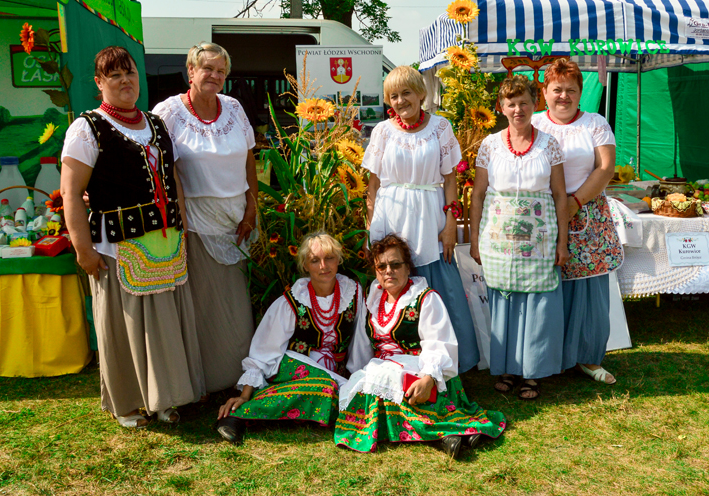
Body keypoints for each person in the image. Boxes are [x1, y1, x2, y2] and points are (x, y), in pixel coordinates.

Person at [60, 46, 204, 428]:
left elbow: (172, 179)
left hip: (166, 241)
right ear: (99, 83)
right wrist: (83, 250)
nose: (126, 81)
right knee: (123, 327)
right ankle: (125, 403)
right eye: (115, 76)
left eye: (130, 74)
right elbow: (72, 193)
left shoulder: (156, 123)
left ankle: (164, 397)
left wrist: (182, 226)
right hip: (116, 246)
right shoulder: (86, 128)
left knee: (165, 325)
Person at [335, 234, 506, 457]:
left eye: (395, 265)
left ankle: (444, 435)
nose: (388, 271)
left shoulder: (425, 298)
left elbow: (439, 344)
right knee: (368, 393)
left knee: (390, 398)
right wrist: (358, 376)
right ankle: (448, 435)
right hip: (384, 370)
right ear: (375, 271)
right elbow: (361, 345)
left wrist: (428, 378)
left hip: (423, 371)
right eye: (382, 266)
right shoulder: (372, 300)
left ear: (408, 268)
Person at [152, 42, 258, 395]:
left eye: (221, 71)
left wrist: (252, 207)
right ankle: (211, 379)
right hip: (197, 221)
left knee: (240, 302)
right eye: (207, 68)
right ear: (190, 71)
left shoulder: (234, 107)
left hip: (238, 219)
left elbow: (248, 160)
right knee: (209, 305)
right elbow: (156, 165)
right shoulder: (169, 112)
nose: (214, 76)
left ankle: (242, 374)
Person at [362, 65, 480, 373]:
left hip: (429, 212)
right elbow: (373, 184)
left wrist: (451, 224)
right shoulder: (382, 131)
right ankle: (397, 354)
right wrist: (372, 225)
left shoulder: (440, 128)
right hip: (391, 212)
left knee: (441, 285)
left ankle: (452, 362)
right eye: (394, 96)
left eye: (406, 93)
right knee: (392, 278)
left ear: (422, 94)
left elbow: (451, 180)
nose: (401, 101)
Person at [469, 75, 569, 400]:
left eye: (524, 102)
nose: (518, 109)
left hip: (540, 236)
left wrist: (563, 242)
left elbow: (559, 194)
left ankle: (533, 372)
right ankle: (508, 369)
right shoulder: (489, 145)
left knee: (537, 303)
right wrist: (474, 238)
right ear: (501, 107)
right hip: (498, 239)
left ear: (534, 104)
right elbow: (479, 195)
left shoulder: (549, 145)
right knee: (504, 303)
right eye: (510, 103)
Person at [215, 232, 365, 443]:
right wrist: (244, 394)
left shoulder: (353, 293)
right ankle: (237, 415)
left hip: (333, 373)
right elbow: (264, 351)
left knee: (331, 392)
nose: (324, 266)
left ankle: (283, 402)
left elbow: (361, 342)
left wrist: (360, 377)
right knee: (327, 387)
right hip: (292, 365)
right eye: (315, 260)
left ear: (338, 259)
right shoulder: (293, 301)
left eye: (329, 257)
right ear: (305, 265)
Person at [532, 59, 623, 385]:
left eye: (571, 90)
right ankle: (545, 358)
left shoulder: (595, 124)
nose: (564, 96)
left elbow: (605, 168)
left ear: (581, 93)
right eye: (557, 89)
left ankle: (587, 358)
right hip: (541, 214)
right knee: (543, 286)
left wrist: (574, 203)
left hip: (585, 214)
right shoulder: (532, 123)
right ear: (545, 92)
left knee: (586, 291)